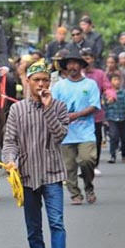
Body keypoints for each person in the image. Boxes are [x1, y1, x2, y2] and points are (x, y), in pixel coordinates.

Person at [3, 59, 71, 248]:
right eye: (37, 80)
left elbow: (60, 135)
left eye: (45, 80)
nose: (41, 84)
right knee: (33, 227)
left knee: (57, 222)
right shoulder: (16, 109)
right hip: (27, 176)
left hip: (52, 173)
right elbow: (9, 142)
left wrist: (48, 107)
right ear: (28, 82)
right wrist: (10, 160)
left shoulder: (59, 106)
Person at [52, 47, 101, 205]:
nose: (72, 67)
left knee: (87, 160)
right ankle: (75, 194)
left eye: (75, 64)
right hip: (65, 133)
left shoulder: (90, 84)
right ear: (65, 67)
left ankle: (88, 187)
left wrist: (76, 115)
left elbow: (94, 106)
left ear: (81, 66)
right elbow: (52, 106)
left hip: (85, 132)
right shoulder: (59, 87)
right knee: (69, 167)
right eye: (69, 64)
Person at [81, 48, 114, 176]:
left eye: (88, 58)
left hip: (96, 115)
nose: (85, 61)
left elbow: (108, 87)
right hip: (78, 115)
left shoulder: (99, 74)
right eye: (83, 58)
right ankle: (82, 165)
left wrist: (110, 96)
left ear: (93, 59)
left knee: (96, 140)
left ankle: (94, 165)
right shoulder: (76, 74)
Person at [104, 72, 125, 164]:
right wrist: (105, 118)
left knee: (124, 138)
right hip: (112, 118)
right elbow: (104, 106)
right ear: (110, 82)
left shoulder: (123, 92)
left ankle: (123, 154)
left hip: (122, 117)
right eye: (115, 80)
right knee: (113, 136)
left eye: (118, 80)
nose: (117, 82)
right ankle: (112, 155)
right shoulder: (107, 93)